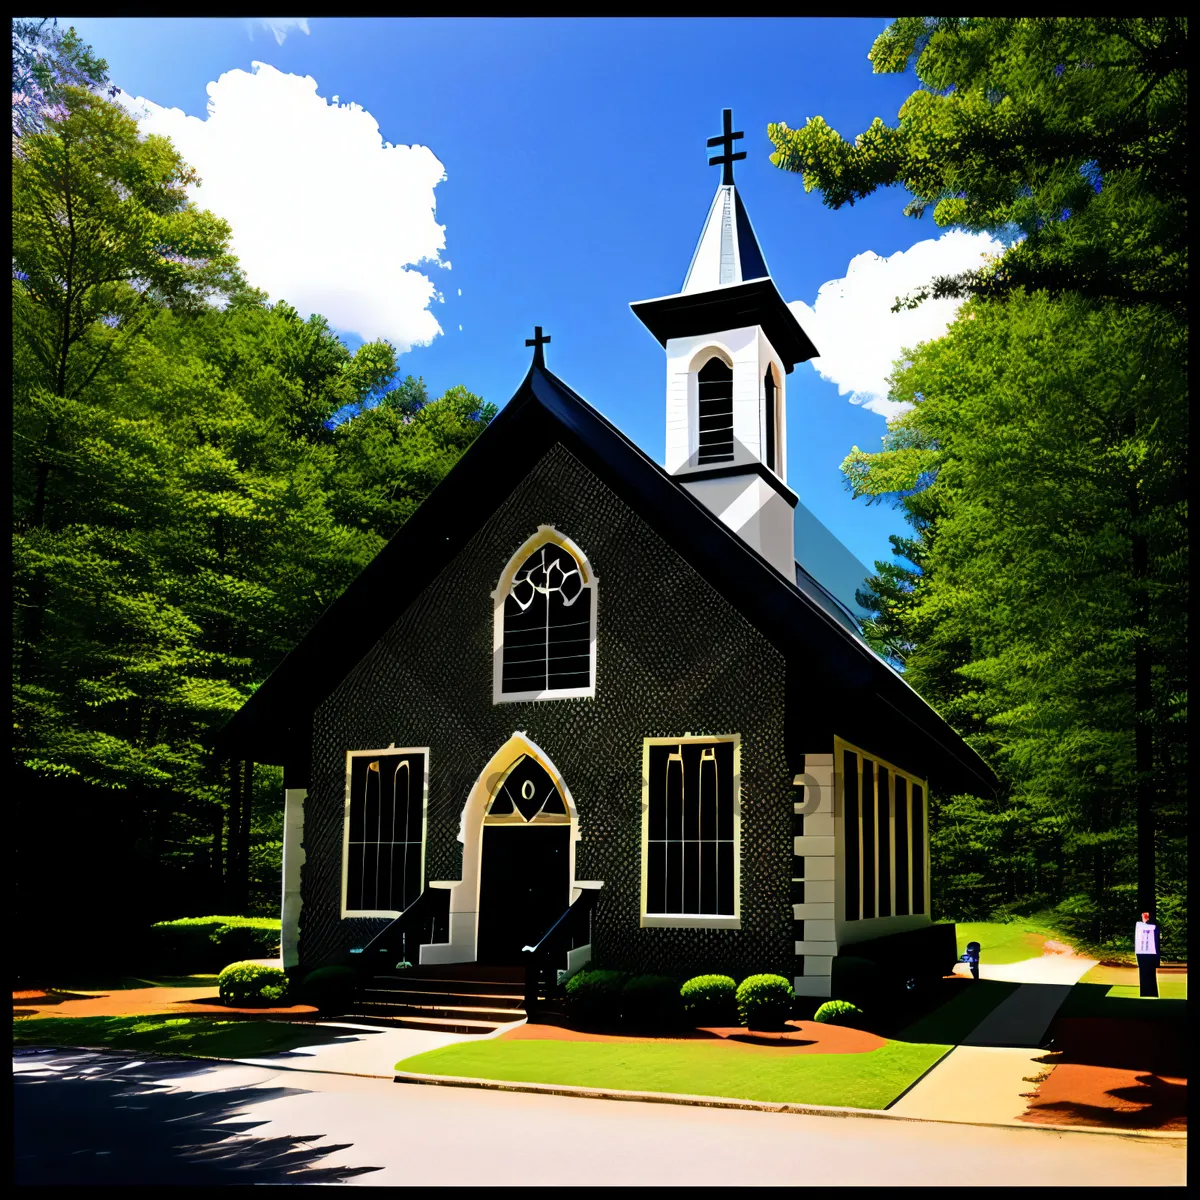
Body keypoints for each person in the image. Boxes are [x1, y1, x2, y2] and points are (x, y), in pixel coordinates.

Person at [1134, 912, 1160, 998]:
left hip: (1147, 952)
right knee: (1145, 973)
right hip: (1144, 952)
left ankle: (1149, 992)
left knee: (1148, 973)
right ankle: (1146, 992)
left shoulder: (1151, 926)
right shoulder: (1141, 926)